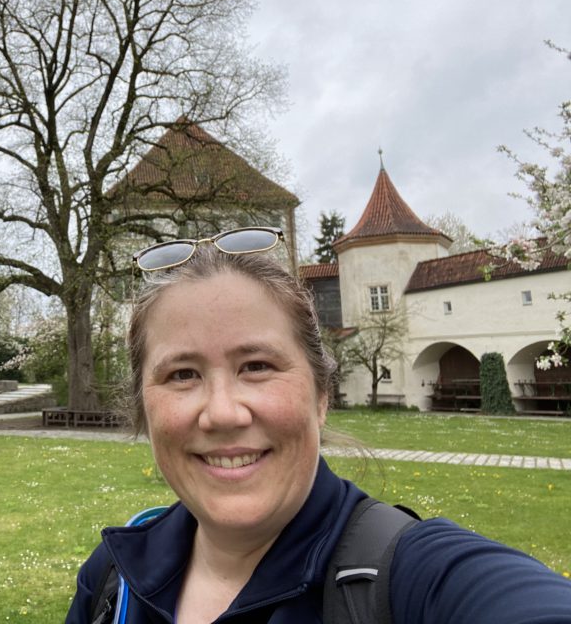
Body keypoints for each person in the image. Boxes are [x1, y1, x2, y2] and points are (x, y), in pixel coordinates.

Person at [65, 227, 571, 623]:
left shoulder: (415, 576)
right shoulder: (112, 575)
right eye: (182, 374)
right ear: (143, 407)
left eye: (257, 366)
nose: (222, 412)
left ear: (322, 395)